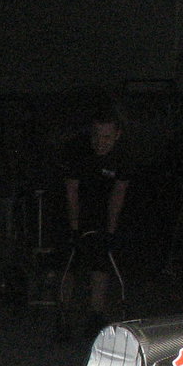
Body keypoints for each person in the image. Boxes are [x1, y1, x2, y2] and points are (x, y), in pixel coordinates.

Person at [54, 110, 130, 330]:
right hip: (72, 207)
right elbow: (71, 192)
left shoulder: (122, 157)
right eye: (97, 136)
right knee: (70, 260)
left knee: (101, 258)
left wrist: (111, 231)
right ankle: (63, 315)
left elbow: (118, 194)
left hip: (100, 207)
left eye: (107, 137)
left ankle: (96, 315)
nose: (101, 142)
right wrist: (74, 229)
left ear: (117, 135)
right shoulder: (77, 153)